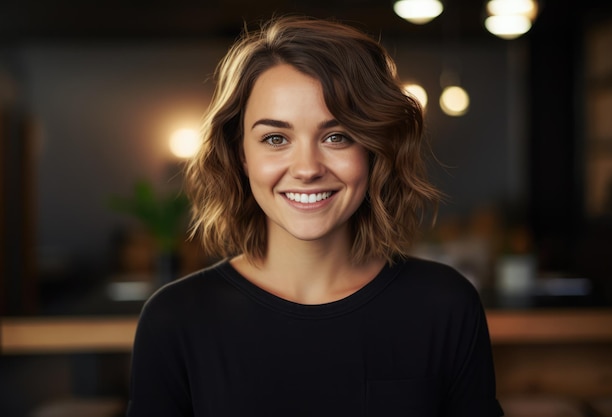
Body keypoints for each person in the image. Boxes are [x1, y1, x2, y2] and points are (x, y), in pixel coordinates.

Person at [127, 15, 504, 417]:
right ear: (241, 155)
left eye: (336, 136)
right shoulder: (176, 319)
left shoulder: (444, 305)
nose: (307, 168)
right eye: (275, 138)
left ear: (373, 150)